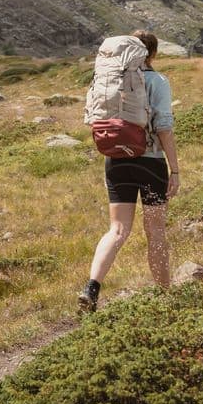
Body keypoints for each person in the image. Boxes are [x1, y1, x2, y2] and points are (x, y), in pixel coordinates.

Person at [78, 29, 179, 313]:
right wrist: (175, 170)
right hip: (150, 163)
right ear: (152, 54)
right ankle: (165, 296)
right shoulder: (157, 80)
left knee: (117, 230)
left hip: (116, 161)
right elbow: (164, 128)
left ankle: (92, 288)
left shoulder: (110, 79)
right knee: (155, 231)